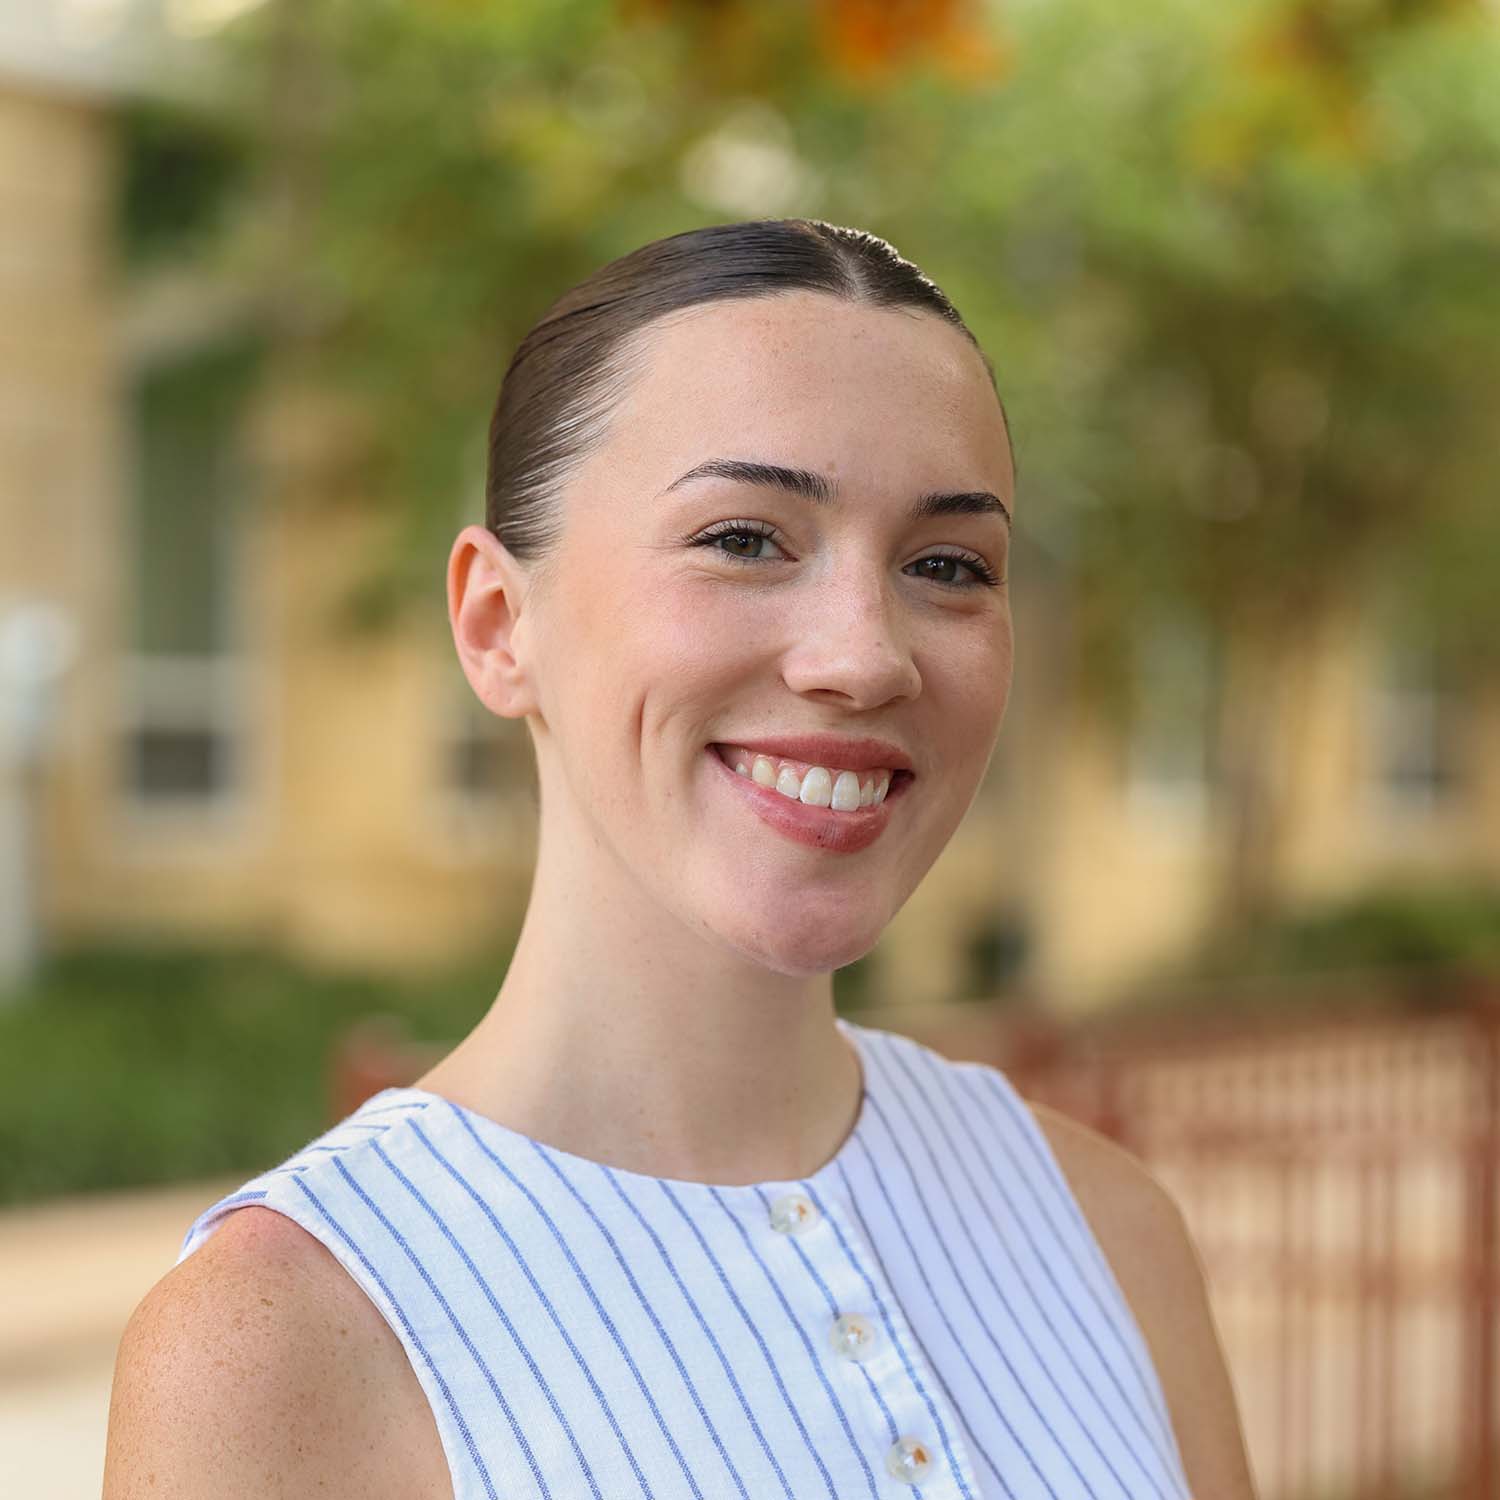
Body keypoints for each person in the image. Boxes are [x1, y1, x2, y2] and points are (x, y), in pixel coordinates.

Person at [104, 219, 1256, 1499]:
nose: (863, 655)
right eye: (745, 539)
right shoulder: (285, 1347)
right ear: (498, 625)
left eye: (947, 564)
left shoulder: (1106, 1229)